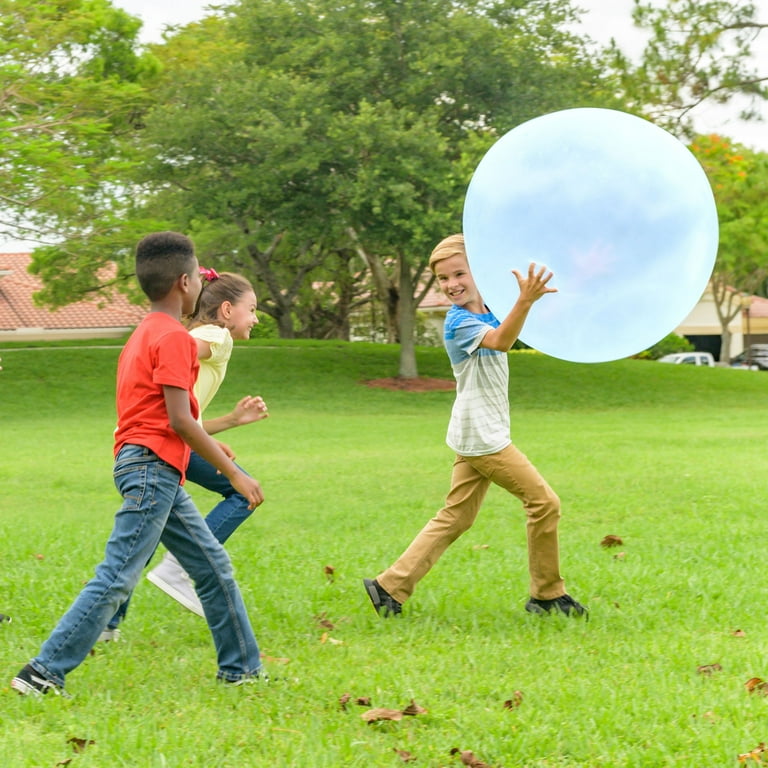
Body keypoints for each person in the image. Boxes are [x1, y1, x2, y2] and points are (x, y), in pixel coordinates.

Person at [11, 231, 267, 696]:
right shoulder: (172, 338)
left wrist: (217, 439)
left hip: (152, 465)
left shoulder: (145, 334)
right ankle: (43, 672)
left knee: (212, 567)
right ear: (185, 283)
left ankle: (243, 671)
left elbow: (166, 418)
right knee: (118, 574)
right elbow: (179, 420)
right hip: (152, 468)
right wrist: (234, 473)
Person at [363, 233, 587, 619]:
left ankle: (389, 586)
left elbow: (520, 327)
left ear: (479, 271)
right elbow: (500, 341)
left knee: (457, 515)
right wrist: (524, 300)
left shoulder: (491, 309)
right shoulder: (459, 322)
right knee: (544, 502)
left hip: (475, 429)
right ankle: (547, 595)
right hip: (483, 436)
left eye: (458, 274)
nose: (451, 285)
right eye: (443, 279)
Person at [102, 270, 267, 634]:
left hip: (145, 439)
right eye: (251, 309)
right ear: (227, 310)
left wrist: (232, 421)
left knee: (145, 530)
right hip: (157, 443)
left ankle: (108, 622)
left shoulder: (197, 335)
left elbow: (186, 420)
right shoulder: (217, 337)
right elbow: (175, 353)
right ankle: (177, 567)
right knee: (243, 494)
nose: (255, 318)